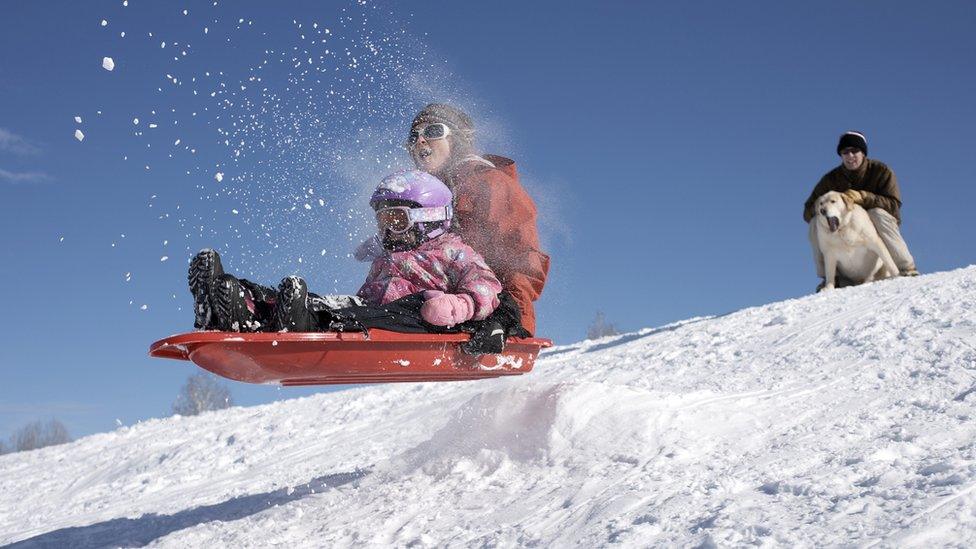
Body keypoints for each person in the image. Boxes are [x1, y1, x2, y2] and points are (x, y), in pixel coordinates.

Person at [189, 170, 525, 353]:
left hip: (411, 317)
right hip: (368, 307)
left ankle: (303, 319)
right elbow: (369, 257)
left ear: (430, 218)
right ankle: (240, 304)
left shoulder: (455, 251)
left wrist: (460, 306)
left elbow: (487, 286)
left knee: (348, 313)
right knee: (326, 301)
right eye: (383, 222)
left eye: (396, 219)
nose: (388, 230)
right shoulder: (390, 253)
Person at [404, 103, 550, 336]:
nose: (420, 141)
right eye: (414, 136)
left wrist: (509, 315)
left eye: (432, 132)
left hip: (486, 314)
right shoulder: (418, 196)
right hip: (431, 309)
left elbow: (522, 255)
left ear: (456, 140)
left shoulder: (489, 183)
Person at [803, 131, 918, 290]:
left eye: (854, 151)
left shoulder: (881, 171)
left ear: (863, 152)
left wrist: (864, 197)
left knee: (876, 213)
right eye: (845, 152)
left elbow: (893, 205)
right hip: (845, 232)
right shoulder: (831, 180)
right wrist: (820, 208)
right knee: (815, 223)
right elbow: (807, 210)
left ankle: (905, 268)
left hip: (876, 228)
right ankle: (831, 279)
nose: (850, 156)